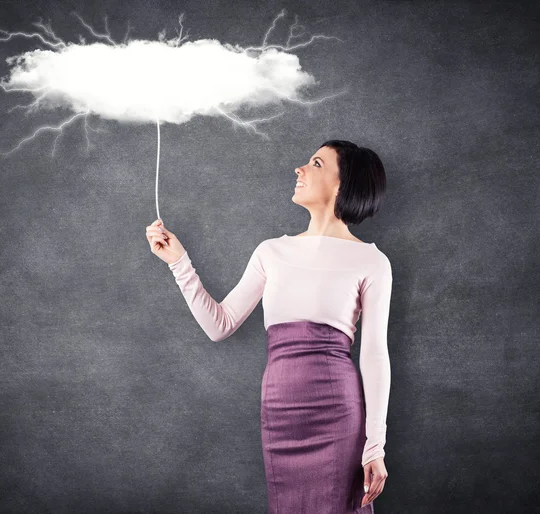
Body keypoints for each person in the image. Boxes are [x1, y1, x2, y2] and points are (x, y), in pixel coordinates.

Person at [146, 140, 392, 513]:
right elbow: (220, 325)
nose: (300, 169)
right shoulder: (271, 251)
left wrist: (375, 443)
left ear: (343, 183)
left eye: (316, 163)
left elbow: (374, 354)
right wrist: (178, 262)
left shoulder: (372, 261)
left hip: (338, 412)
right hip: (280, 410)